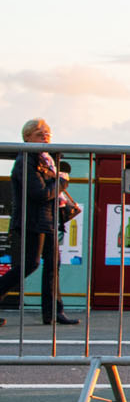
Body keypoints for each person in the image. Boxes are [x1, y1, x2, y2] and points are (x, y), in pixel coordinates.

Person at [0, 118, 78, 327]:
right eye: (39, 133)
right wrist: (61, 182)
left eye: (47, 132)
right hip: (31, 220)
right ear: (27, 138)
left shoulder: (46, 160)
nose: (45, 135)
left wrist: (57, 181)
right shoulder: (26, 161)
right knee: (30, 263)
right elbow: (39, 193)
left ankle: (53, 313)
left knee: (53, 265)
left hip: (48, 219)